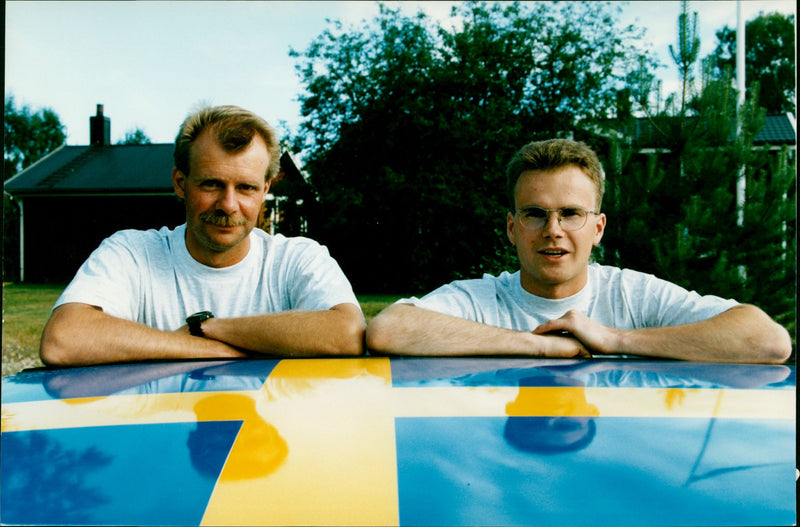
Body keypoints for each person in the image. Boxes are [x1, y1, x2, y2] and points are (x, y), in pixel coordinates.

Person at [366, 139, 791, 364]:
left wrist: (612, 339)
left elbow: (768, 341)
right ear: (511, 228)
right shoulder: (481, 299)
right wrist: (538, 347)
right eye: (535, 214)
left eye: (571, 214)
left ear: (598, 227)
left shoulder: (632, 295)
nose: (553, 231)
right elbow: (389, 330)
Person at [40, 105, 364, 367]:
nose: (228, 204)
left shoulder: (296, 258)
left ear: (265, 190)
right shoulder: (132, 253)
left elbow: (347, 334)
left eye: (246, 188)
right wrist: (223, 353)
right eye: (211, 184)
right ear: (181, 183)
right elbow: (63, 339)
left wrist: (207, 329)